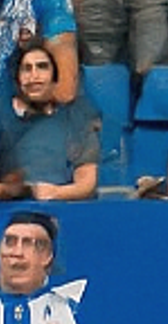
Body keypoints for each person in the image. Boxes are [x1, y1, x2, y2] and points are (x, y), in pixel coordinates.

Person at [0, 43, 99, 205]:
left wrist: (56, 193)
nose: (34, 76)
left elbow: (87, 182)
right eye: (26, 69)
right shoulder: (3, 119)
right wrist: (10, 190)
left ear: (55, 78)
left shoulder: (76, 117)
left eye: (42, 67)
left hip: (61, 207)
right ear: (17, 79)